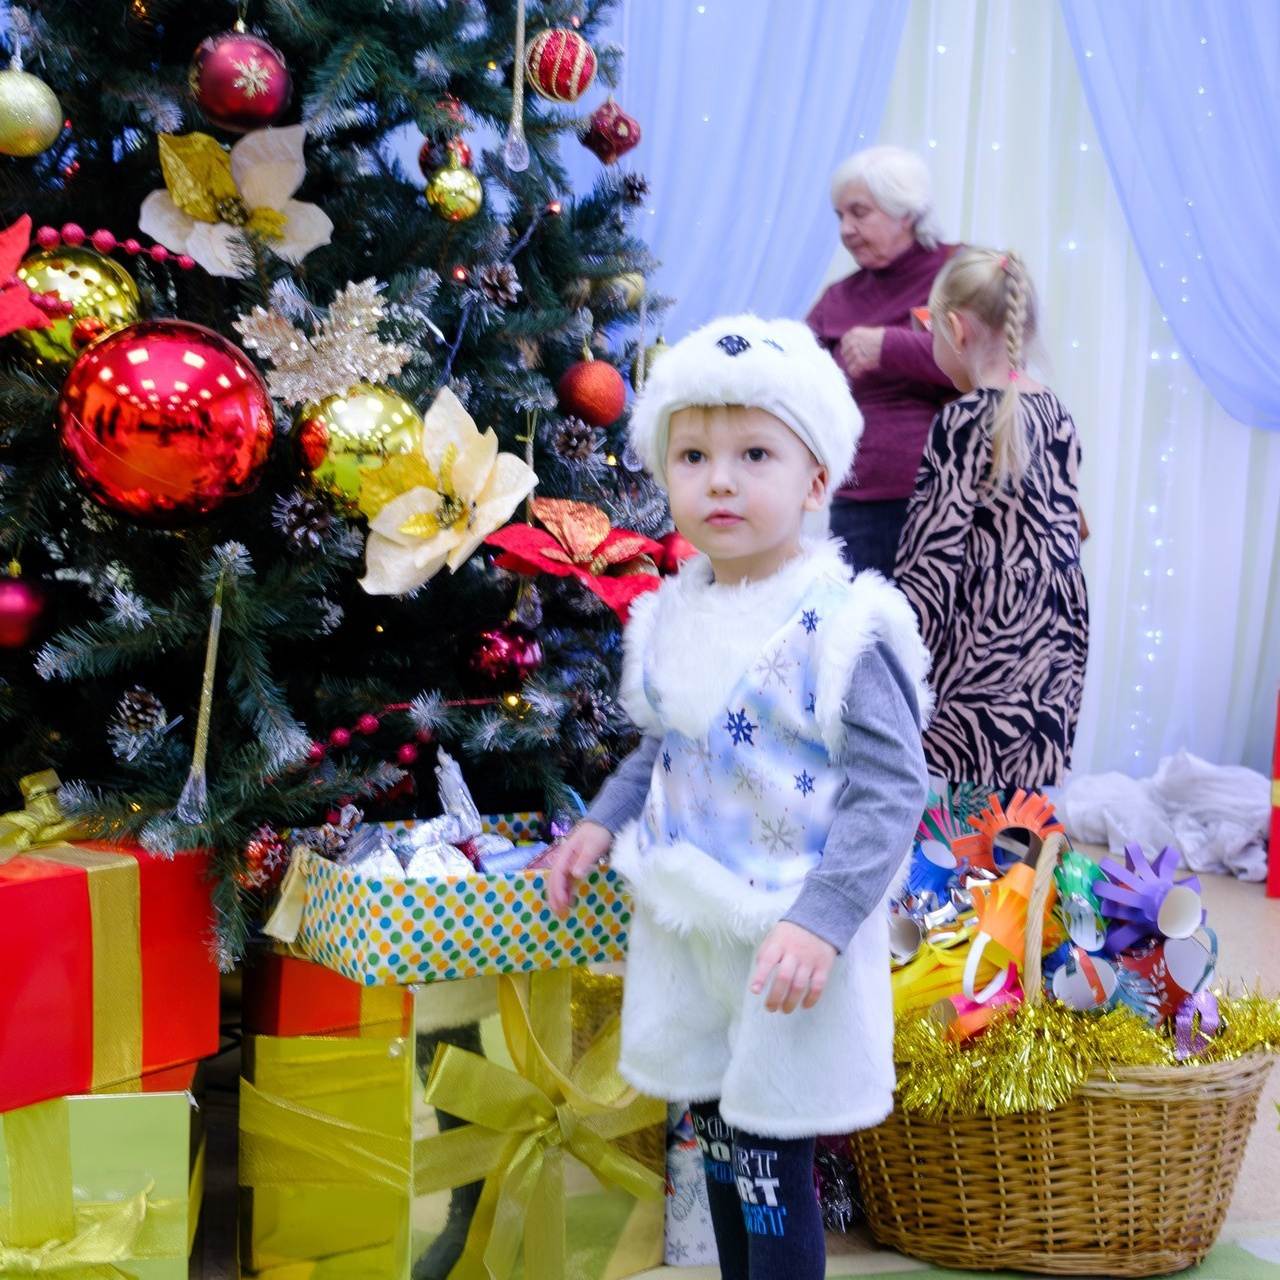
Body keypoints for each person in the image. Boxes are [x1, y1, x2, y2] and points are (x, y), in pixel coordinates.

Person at [545, 314, 931, 1280]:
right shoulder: (673, 610)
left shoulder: (844, 625)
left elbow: (893, 789)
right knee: (715, 1142)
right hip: (689, 929)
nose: (719, 479)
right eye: (692, 455)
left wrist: (825, 917)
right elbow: (671, 740)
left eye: (754, 453)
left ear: (815, 479)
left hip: (786, 938)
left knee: (769, 1160)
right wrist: (600, 823)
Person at [893, 247, 1089, 792]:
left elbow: (929, 564)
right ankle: (1015, 879)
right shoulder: (1058, 414)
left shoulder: (959, 422)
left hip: (981, 641)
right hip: (1053, 640)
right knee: (1017, 807)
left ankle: (960, 877)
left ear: (955, 328)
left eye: (929, 329)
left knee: (956, 802)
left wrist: (894, 653)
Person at [806, 144, 959, 577]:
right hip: (858, 502)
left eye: (859, 213)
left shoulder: (961, 272)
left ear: (905, 213)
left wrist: (889, 347)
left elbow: (993, 360)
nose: (846, 230)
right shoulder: (840, 297)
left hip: (949, 499)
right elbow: (794, 369)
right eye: (840, 216)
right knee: (864, 640)